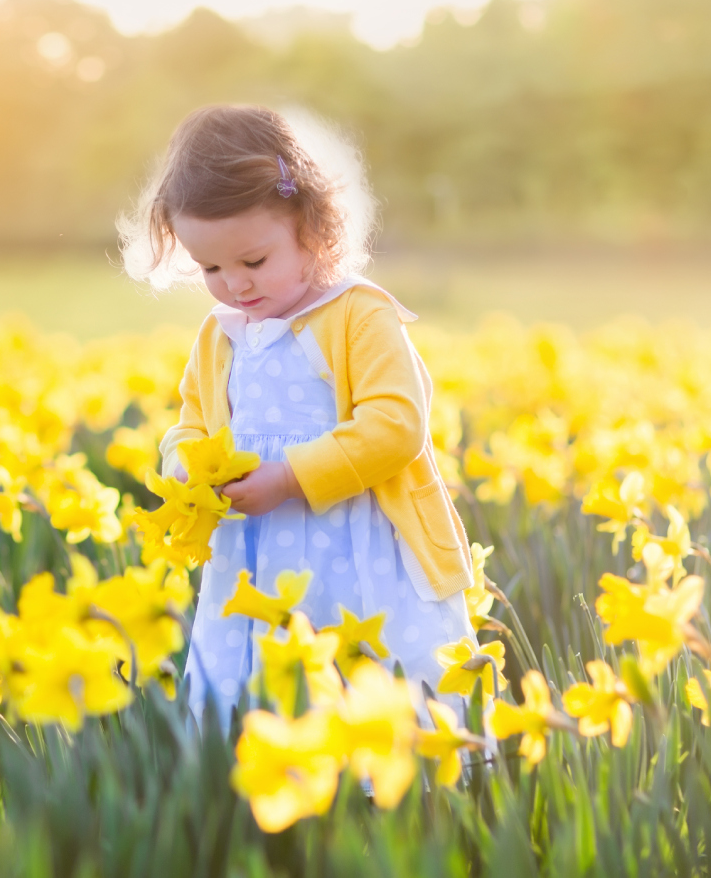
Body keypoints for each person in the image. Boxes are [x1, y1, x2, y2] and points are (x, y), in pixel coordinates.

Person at [118, 103, 476, 730]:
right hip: (249, 556)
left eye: (253, 262)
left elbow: (396, 427)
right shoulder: (221, 334)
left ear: (314, 230)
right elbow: (193, 423)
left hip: (359, 544)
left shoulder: (358, 315)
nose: (234, 284)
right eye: (210, 268)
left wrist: (289, 478)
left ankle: (393, 801)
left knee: (365, 683)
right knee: (257, 687)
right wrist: (184, 467)